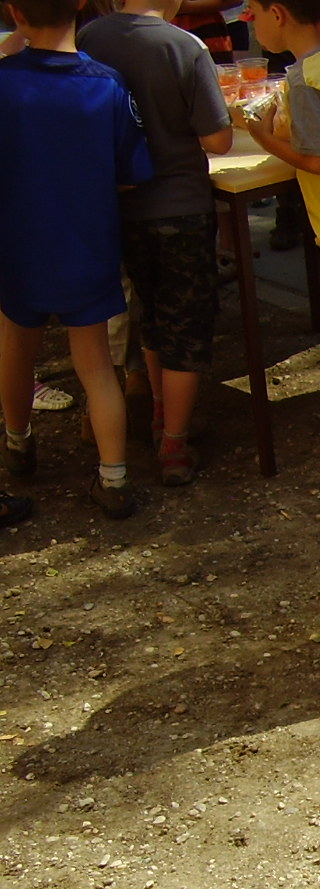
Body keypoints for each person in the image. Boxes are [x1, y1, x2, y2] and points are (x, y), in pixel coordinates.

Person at [1, 0, 152, 521]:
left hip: (18, 243)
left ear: (14, 12)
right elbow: (131, 172)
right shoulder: (106, 84)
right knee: (95, 364)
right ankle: (114, 479)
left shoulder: (4, 82)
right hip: (87, 241)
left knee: (16, 349)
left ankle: (18, 442)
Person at [80, 0, 234, 487]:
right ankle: (173, 443)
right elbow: (217, 140)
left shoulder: (90, 38)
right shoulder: (184, 46)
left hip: (121, 206)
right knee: (186, 327)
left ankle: (159, 415)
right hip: (180, 203)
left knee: (150, 314)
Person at [233, 0, 320, 460]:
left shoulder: (306, 78)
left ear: (277, 14)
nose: (252, 23)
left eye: (254, 12)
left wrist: (262, 136)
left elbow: (316, 160)